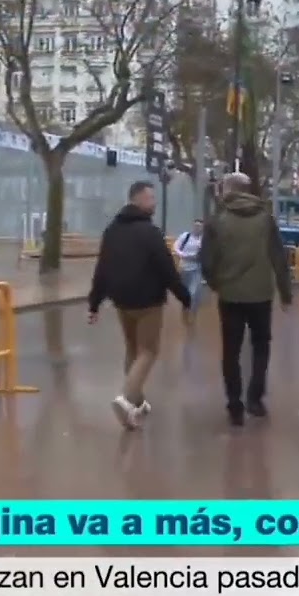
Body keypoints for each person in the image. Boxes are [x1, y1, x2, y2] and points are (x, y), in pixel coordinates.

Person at [87, 181, 191, 430]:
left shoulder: (111, 230)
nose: (154, 203)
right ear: (138, 199)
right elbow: (168, 270)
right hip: (148, 302)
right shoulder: (150, 232)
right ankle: (125, 399)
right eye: (151, 198)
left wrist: (94, 303)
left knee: (133, 350)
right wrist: (185, 298)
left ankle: (138, 400)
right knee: (149, 351)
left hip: (122, 301)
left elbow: (102, 269)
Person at [199, 172, 294, 427]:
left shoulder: (217, 220)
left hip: (230, 295)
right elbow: (278, 258)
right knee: (261, 345)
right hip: (261, 294)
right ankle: (255, 397)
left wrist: (216, 283)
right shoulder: (265, 219)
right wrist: (285, 294)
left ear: (228, 189)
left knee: (231, 350)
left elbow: (206, 260)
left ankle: (234, 404)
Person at [173, 219, 206, 312]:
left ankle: (192, 309)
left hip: (197, 267)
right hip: (184, 266)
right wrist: (184, 255)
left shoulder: (203, 239)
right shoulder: (185, 236)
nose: (197, 228)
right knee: (186, 288)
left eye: (199, 226)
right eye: (196, 226)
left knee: (194, 290)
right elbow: (176, 247)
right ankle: (186, 303)